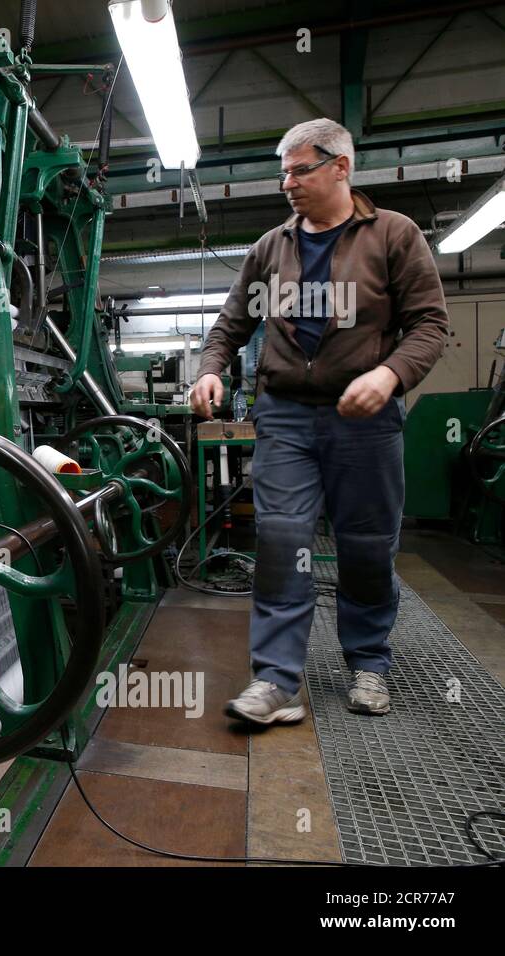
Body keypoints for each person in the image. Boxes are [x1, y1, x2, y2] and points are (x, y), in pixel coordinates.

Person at [190, 118, 448, 724]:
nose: (288, 183)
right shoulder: (271, 247)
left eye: (300, 169)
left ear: (341, 167)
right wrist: (211, 368)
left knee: (364, 545)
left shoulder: (392, 236)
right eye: (283, 172)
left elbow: (431, 325)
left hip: (366, 418)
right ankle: (277, 681)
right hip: (283, 417)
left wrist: (389, 375)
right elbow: (230, 325)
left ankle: (369, 663)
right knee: (281, 542)